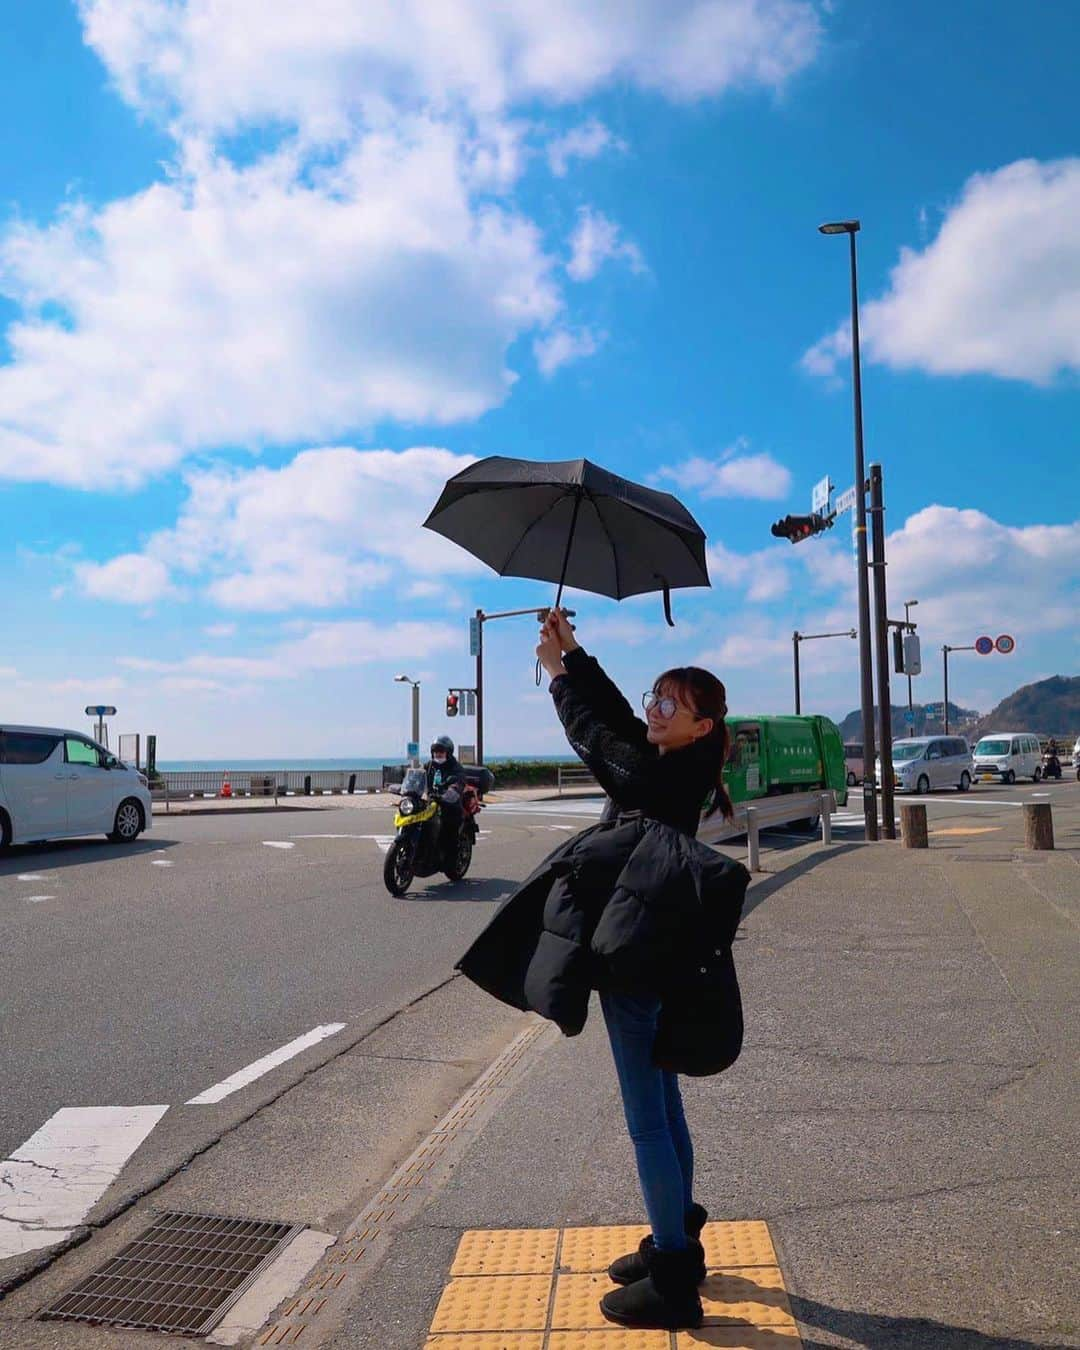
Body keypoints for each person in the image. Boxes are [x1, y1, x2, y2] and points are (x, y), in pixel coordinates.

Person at [457, 609, 747, 1332]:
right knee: (666, 1104)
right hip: (653, 945)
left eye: (670, 704)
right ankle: (674, 1238)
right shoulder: (676, 764)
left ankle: (674, 1278)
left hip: (637, 955)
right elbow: (618, 719)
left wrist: (558, 680)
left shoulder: (663, 778)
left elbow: (600, 742)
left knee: (647, 1118)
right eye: (657, 696)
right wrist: (576, 655)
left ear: (701, 726)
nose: (655, 708)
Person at [425, 735, 467, 848]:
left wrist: (451, 791)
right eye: (435, 751)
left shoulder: (455, 767)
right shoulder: (429, 766)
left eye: (441, 751)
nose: (438, 754)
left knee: (449, 832)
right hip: (431, 802)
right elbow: (417, 777)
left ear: (448, 752)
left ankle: (450, 863)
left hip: (449, 804)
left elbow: (459, 782)